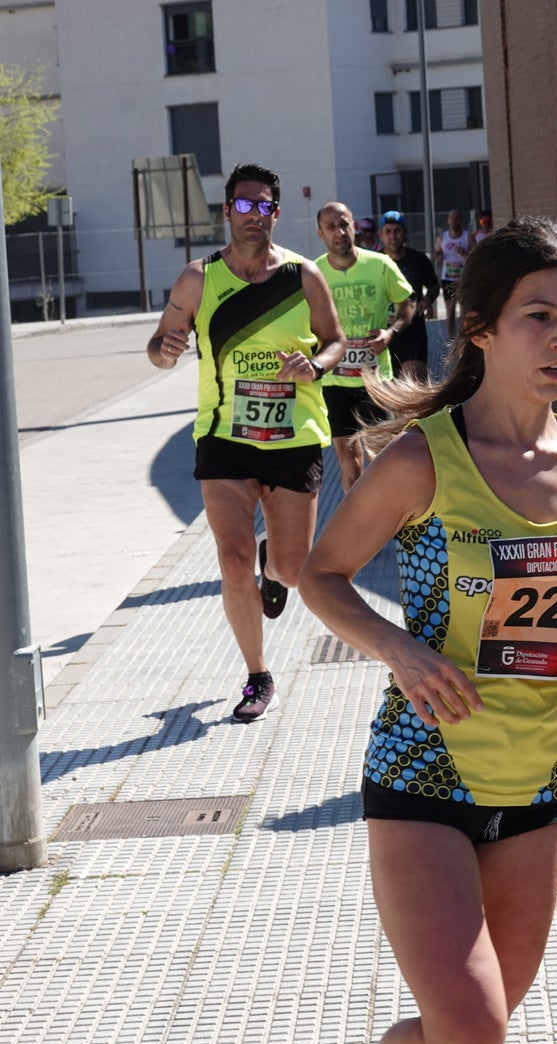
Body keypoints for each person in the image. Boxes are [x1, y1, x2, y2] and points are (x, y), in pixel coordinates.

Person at [299, 216, 557, 1044]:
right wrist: (397, 648)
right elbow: (318, 574)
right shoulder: (421, 461)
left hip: (536, 782)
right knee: (468, 1031)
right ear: (478, 329)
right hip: (426, 771)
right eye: (537, 316)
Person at [147, 163, 345, 724]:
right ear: (228, 210)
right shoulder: (198, 279)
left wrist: (316, 365)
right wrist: (164, 349)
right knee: (232, 563)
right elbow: (160, 345)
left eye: (264, 206)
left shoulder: (305, 275)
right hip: (223, 436)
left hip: (292, 438)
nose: (253, 214)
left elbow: (335, 341)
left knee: (289, 568)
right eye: (243, 204)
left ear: (276, 214)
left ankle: (272, 565)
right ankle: (258, 675)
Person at [315, 201, 414, 492]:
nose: (340, 232)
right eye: (331, 227)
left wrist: (391, 331)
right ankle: (356, 526)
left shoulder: (380, 265)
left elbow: (407, 303)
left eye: (344, 224)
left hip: (373, 377)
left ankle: (390, 520)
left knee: (382, 455)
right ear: (320, 233)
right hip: (334, 380)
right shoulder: (314, 273)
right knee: (348, 460)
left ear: (354, 226)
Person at [378, 210, 440, 384]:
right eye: (388, 231)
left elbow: (434, 285)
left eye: (397, 231)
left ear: (405, 233)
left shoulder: (419, 260)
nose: (393, 236)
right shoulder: (374, 263)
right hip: (383, 331)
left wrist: (428, 300)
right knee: (389, 389)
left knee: (414, 382)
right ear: (380, 235)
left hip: (413, 330)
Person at [435, 208, 471, 338]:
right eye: (452, 218)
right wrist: (438, 257)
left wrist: (464, 253)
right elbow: (437, 252)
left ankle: (463, 339)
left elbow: (475, 256)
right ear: (448, 220)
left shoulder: (467, 237)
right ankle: (452, 340)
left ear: (461, 220)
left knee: (463, 312)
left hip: (463, 278)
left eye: (457, 218)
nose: (454, 221)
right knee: (450, 311)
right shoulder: (442, 237)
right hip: (447, 278)